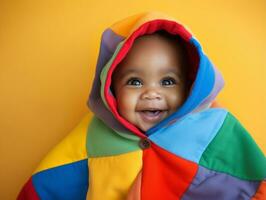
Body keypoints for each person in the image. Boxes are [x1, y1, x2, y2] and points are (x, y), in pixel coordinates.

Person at [18, 12, 265, 200]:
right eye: (135, 81)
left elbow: (255, 180)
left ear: (190, 86)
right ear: (112, 90)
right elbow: (47, 184)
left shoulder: (213, 125)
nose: (151, 93)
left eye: (168, 81)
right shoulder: (93, 134)